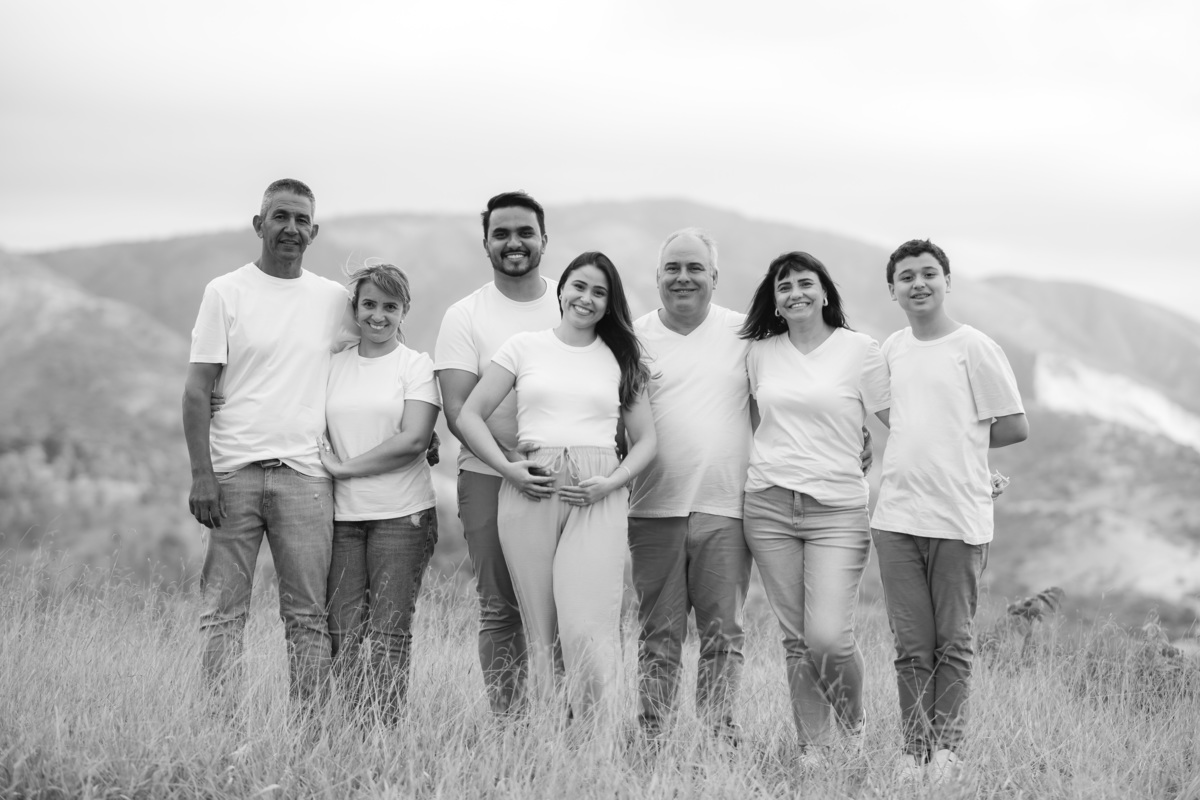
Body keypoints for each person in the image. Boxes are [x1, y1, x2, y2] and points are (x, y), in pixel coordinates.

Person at [456, 252, 657, 720]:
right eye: (579, 286)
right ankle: (551, 742)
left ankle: (595, 744)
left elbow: (647, 441)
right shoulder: (523, 347)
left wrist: (612, 482)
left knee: (586, 627)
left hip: (597, 493)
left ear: (609, 303)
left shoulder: (622, 358)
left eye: (600, 292)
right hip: (533, 488)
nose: (587, 298)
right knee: (542, 632)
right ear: (561, 289)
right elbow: (468, 415)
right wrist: (508, 468)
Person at [182, 178, 357, 710]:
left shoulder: (333, 299)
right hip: (232, 476)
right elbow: (197, 389)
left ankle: (309, 734)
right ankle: (219, 725)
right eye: (281, 217)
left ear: (314, 232)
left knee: (307, 616)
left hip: (306, 478)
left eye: (302, 220)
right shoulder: (225, 292)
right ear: (259, 225)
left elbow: (382, 345)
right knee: (222, 614)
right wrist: (202, 474)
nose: (291, 228)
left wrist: (416, 422)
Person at [870, 239, 1027, 784]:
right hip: (896, 518)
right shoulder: (892, 348)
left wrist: (965, 452)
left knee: (953, 642)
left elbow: (1015, 426)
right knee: (911, 646)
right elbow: (900, 420)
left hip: (959, 519)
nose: (918, 283)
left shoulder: (974, 347)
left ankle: (947, 753)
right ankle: (913, 752)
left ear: (946, 282)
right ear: (892, 289)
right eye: (906, 276)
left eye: (928, 273)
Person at [738, 251, 890, 765]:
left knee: (828, 637)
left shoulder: (860, 350)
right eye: (784, 287)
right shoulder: (760, 353)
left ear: (825, 292)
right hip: (768, 506)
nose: (795, 293)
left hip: (837, 511)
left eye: (805, 283)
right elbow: (758, 421)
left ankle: (853, 723)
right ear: (775, 302)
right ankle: (813, 749)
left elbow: (901, 421)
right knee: (797, 640)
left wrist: (967, 466)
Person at [434, 191, 561, 715]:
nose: (514, 242)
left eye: (525, 232)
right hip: (487, 474)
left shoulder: (571, 302)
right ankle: (512, 728)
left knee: (565, 604)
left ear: (544, 239)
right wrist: (507, 466)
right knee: (500, 607)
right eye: (501, 233)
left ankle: (568, 720)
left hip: (563, 474)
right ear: (485, 242)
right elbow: (457, 410)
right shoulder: (465, 315)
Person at [626, 229, 753, 743]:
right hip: (652, 509)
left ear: (714, 277)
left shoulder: (746, 333)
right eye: (673, 268)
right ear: (657, 277)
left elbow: (786, 398)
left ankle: (718, 737)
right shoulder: (632, 339)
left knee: (724, 634)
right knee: (659, 635)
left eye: (695, 268)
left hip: (726, 508)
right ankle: (653, 736)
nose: (683, 277)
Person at [318, 262, 441, 725]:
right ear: (355, 308)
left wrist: (345, 468)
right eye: (369, 304)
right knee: (342, 632)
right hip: (341, 519)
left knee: (389, 634)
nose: (378, 315)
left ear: (404, 310)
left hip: (402, 515)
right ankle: (355, 729)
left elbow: (414, 440)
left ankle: (383, 732)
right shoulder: (332, 365)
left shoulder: (416, 365)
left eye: (390, 306)